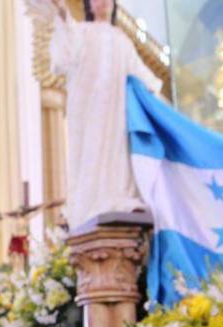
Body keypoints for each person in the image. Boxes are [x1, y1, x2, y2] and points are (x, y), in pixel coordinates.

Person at [40, 0, 164, 230]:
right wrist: (63, 15)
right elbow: (63, 59)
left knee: (118, 152)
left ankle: (119, 198)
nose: (105, 1)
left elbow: (141, 75)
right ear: (89, 4)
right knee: (92, 152)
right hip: (89, 112)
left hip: (116, 112)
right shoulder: (82, 32)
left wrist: (155, 94)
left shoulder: (122, 40)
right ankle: (89, 205)